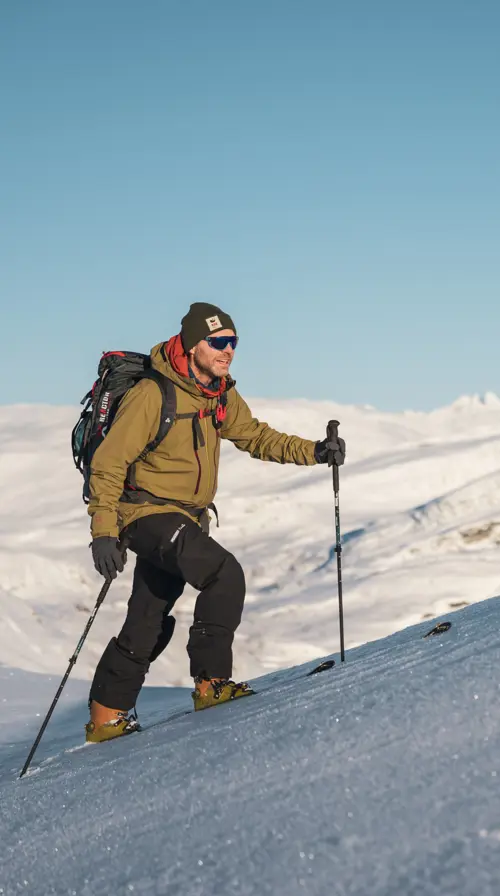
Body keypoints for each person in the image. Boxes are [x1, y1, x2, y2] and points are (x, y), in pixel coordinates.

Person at [84, 302, 345, 742]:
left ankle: (105, 715)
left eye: (233, 341)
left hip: (185, 517)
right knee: (224, 574)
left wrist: (316, 452)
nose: (228, 350)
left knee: (149, 616)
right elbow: (108, 465)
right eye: (218, 341)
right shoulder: (154, 394)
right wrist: (104, 533)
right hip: (146, 514)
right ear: (192, 345)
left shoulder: (218, 393)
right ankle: (211, 683)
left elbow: (256, 436)